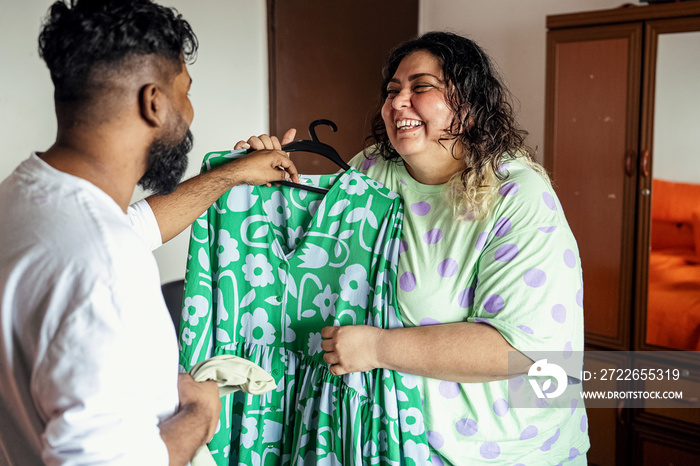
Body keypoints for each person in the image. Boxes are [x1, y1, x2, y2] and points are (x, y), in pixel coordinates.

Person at [0, 0, 298, 464]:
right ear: (154, 102)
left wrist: (232, 175)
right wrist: (200, 411)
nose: (191, 112)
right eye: (186, 92)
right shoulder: (105, 263)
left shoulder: (22, 199)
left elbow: (133, 227)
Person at [319, 31, 590, 465]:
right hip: (402, 439)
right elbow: (316, 248)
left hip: (506, 449)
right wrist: (264, 178)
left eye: (420, 86)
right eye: (392, 91)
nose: (397, 102)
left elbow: (521, 350)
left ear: (468, 101)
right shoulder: (372, 169)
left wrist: (377, 348)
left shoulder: (517, 196)